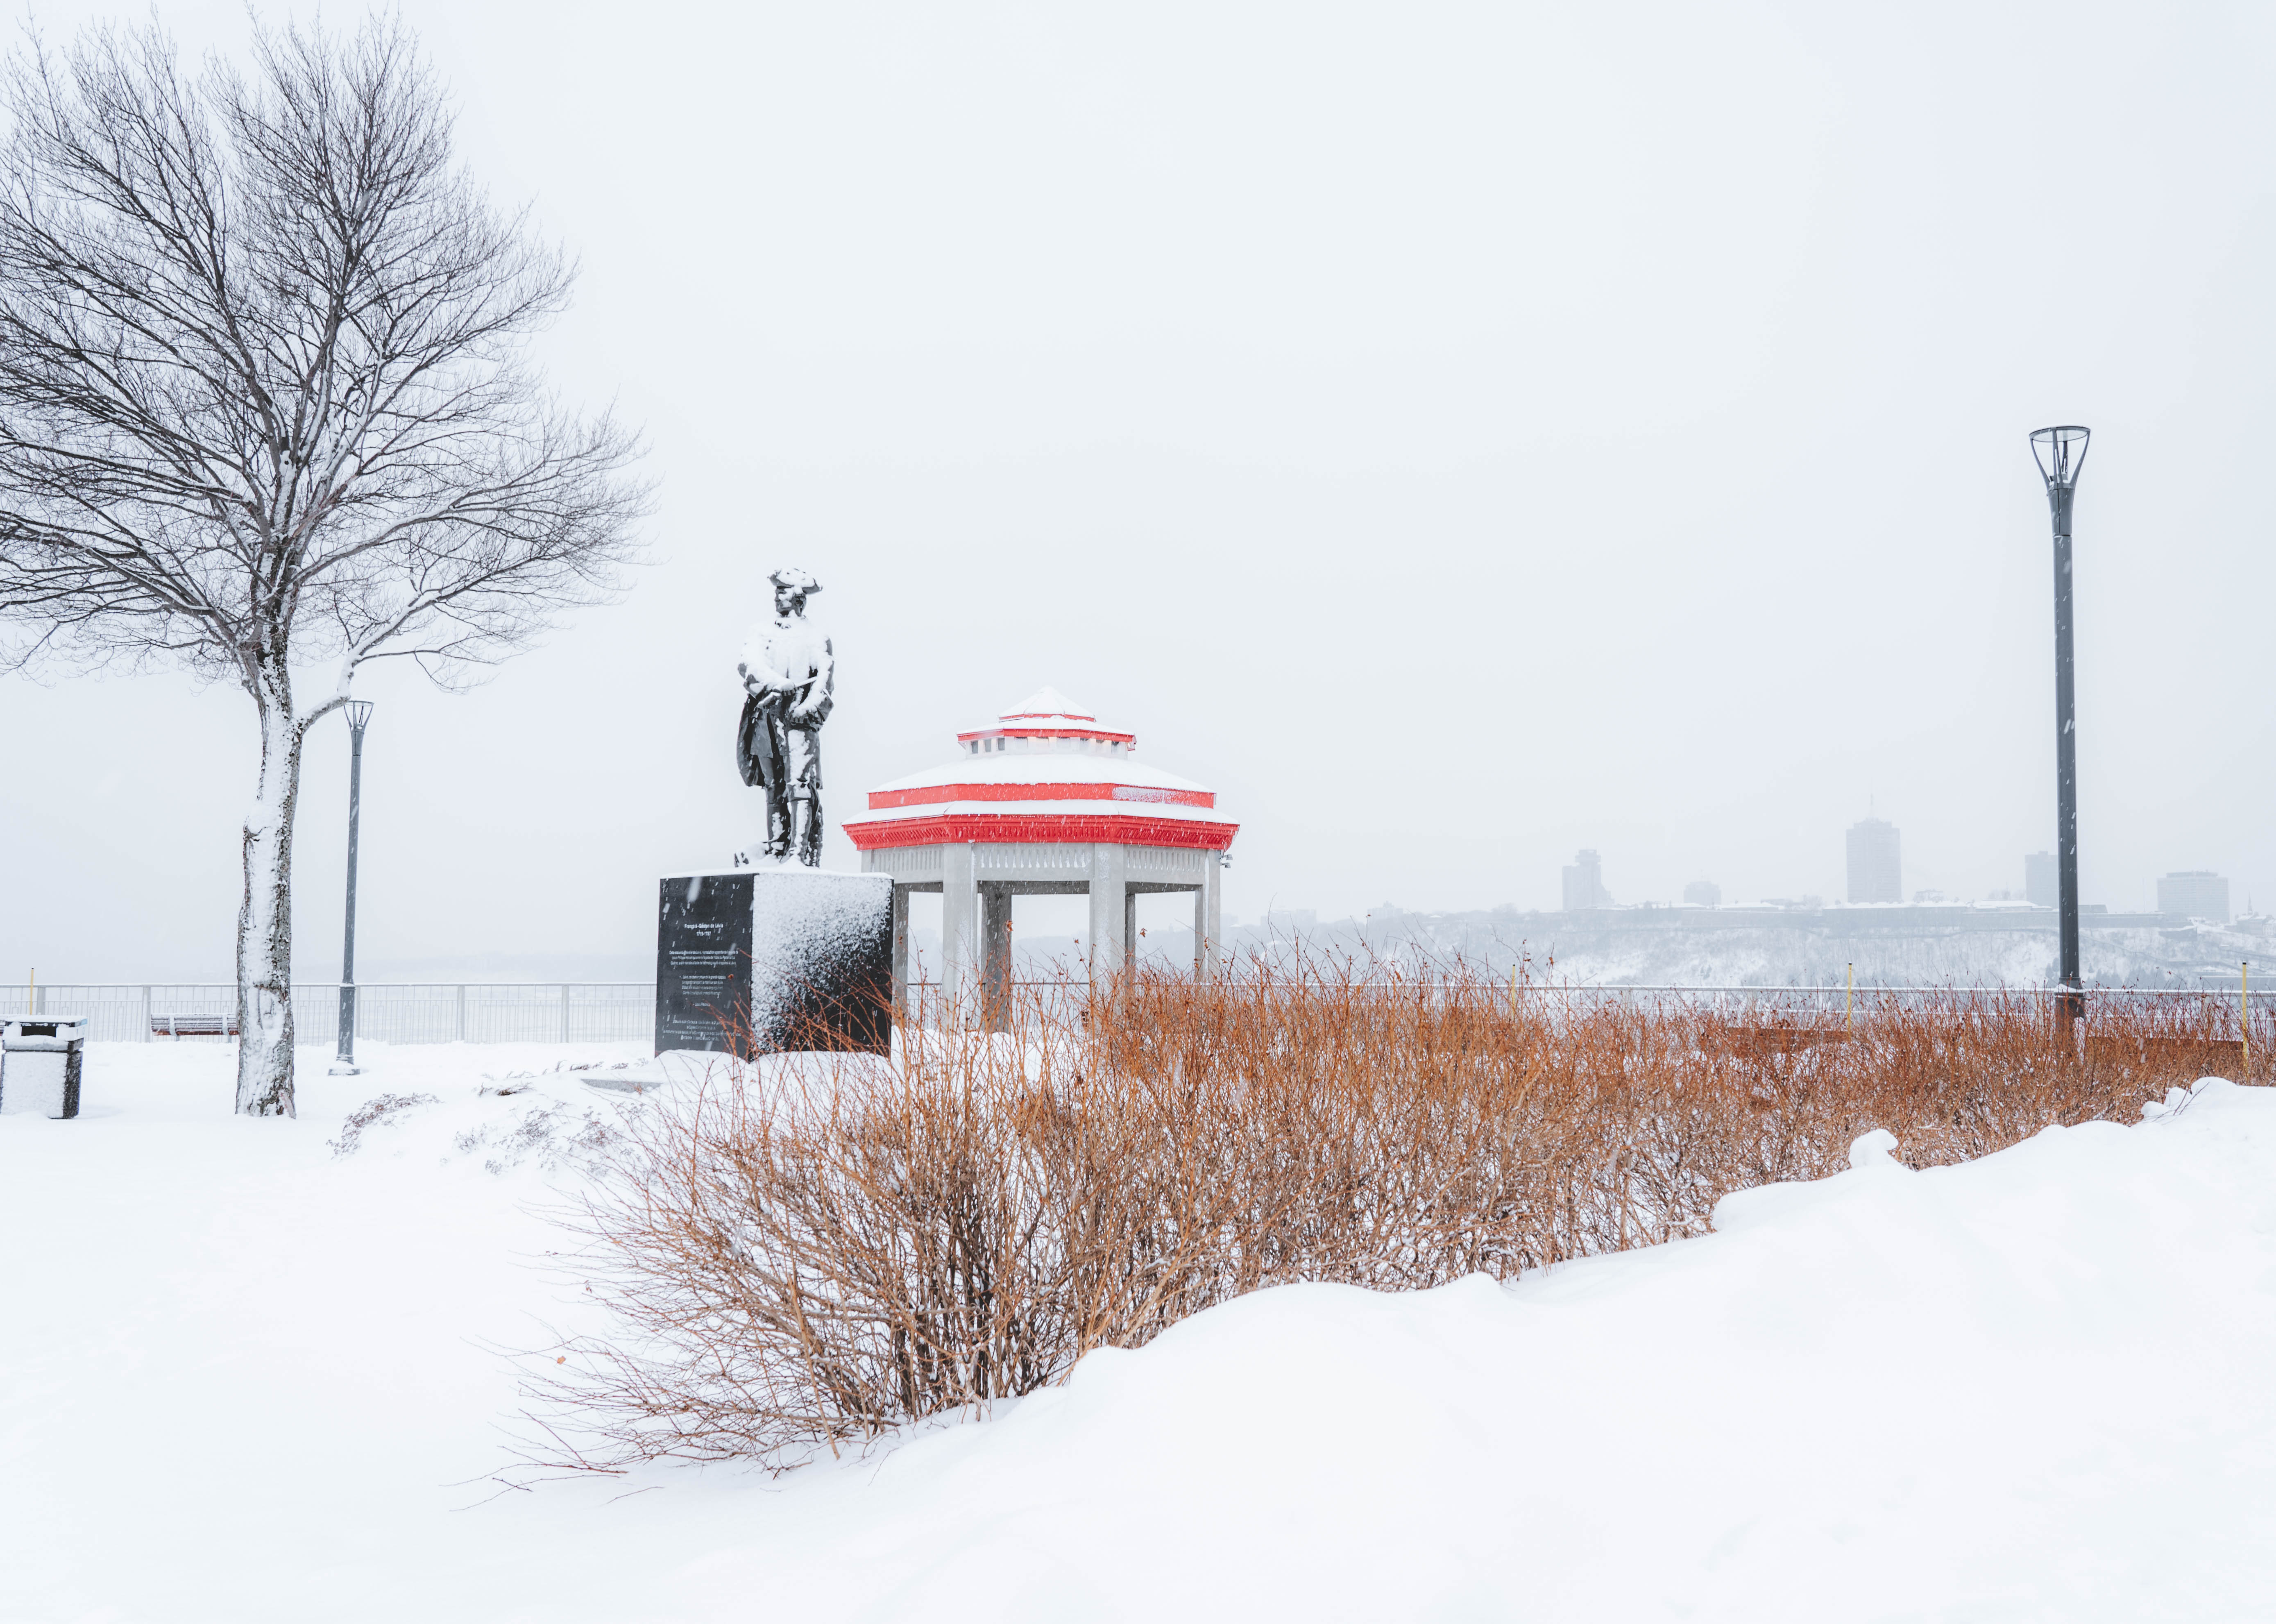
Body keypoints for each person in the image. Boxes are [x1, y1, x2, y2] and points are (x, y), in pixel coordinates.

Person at [733, 567, 834, 866]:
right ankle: (778, 845)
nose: (778, 596)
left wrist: (805, 711)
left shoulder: (817, 638)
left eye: (784, 590)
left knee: (799, 786)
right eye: (777, 590)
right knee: (774, 785)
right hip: (766, 719)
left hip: (800, 724)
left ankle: (797, 852)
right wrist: (778, 685)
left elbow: (824, 688)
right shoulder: (760, 632)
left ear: (798, 597)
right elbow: (749, 667)